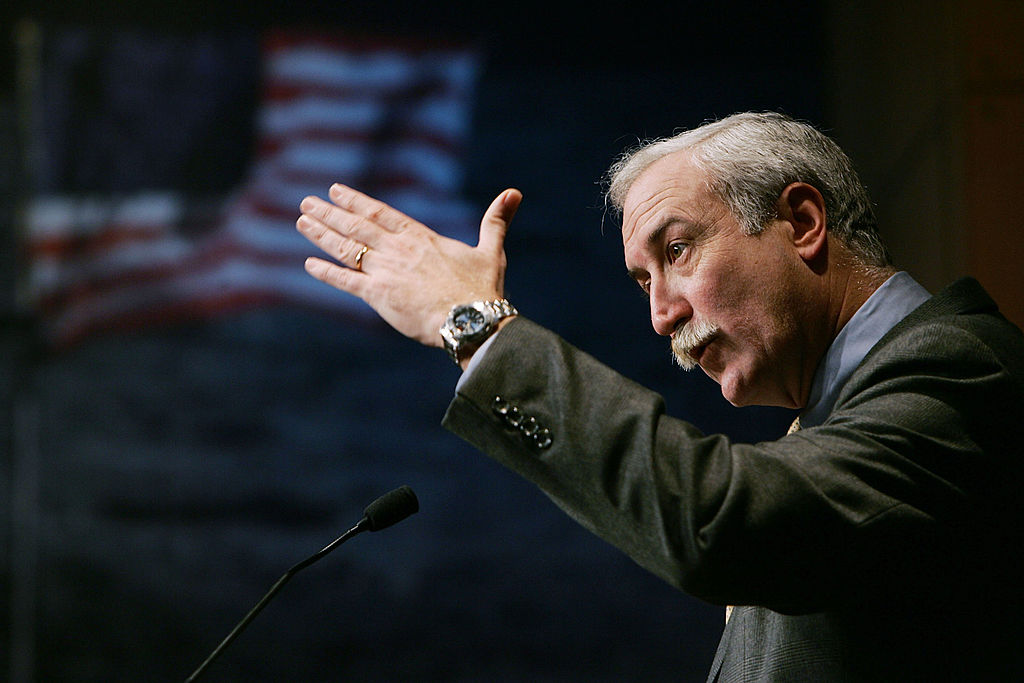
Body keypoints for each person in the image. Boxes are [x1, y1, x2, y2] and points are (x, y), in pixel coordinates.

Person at [296, 112, 1024, 681]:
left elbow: (722, 521)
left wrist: (480, 332)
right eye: (644, 282)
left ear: (802, 223)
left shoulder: (965, 369)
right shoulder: (827, 427)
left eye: (676, 251)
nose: (661, 315)